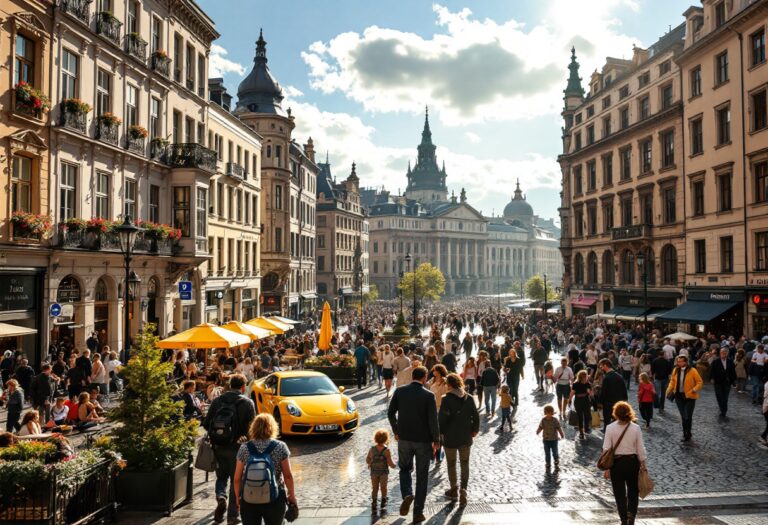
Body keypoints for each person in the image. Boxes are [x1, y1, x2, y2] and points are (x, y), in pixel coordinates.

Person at [387, 366, 440, 523]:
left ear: (412, 376)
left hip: (404, 438)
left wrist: (396, 430)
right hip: (423, 441)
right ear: (424, 378)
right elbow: (433, 420)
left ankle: (407, 494)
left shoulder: (400, 391)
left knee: (404, 469)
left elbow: (390, 413)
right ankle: (418, 512)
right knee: (422, 476)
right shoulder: (428, 395)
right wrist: (436, 440)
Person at [203, 374, 257, 524]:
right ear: (243, 386)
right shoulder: (247, 403)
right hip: (239, 447)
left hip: (219, 446)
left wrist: (217, 435)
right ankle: (233, 516)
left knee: (221, 477)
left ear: (229, 385)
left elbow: (206, 424)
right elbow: (252, 428)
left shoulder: (217, 401)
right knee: (236, 480)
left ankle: (221, 496)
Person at [233, 413, 296, 525]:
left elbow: (237, 478)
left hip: (249, 497)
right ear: (273, 427)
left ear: (253, 428)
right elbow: (288, 476)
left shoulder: (244, 447)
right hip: (275, 497)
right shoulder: (281, 446)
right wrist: (291, 495)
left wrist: (238, 497)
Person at [438, 373, 479, 508]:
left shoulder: (446, 399)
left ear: (449, 385)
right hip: (465, 437)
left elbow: (442, 420)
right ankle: (463, 489)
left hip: (450, 437)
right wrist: (474, 430)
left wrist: (440, 434)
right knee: (465, 463)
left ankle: (454, 488)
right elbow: (476, 417)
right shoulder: (469, 398)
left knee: (451, 463)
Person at [602, 401, 646, 525]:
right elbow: (640, 448)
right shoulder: (635, 428)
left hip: (616, 463)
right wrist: (643, 463)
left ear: (615, 413)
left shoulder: (610, 428)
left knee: (619, 493)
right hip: (632, 462)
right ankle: (631, 514)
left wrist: (607, 468)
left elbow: (606, 448)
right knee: (633, 490)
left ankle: (623, 519)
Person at [666, 355, 703, 442]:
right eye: (678, 361)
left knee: (688, 416)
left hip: (690, 396)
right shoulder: (676, 370)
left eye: (680, 361)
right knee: (683, 416)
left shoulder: (692, 370)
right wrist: (668, 390)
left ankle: (688, 432)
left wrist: (694, 389)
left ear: (685, 362)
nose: (678, 363)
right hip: (679, 396)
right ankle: (685, 433)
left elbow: (699, 382)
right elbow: (672, 381)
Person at [366, 429, 397, 511]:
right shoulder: (387, 451)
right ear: (386, 439)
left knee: (374, 488)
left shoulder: (371, 449)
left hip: (374, 473)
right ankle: (383, 500)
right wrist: (395, 466)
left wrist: (369, 463)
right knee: (384, 487)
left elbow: (367, 459)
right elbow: (390, 463)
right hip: (383, 473)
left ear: (375, 438)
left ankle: (374, 502)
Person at [427, 364, 449, 463]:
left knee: (440, 432)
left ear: (439, 371)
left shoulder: (445, 382)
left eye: (435, 370)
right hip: (432, 409)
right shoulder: (432, 380)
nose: (433, 372)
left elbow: (447, 395)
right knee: (434, 432)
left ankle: (439, 452)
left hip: (441, 409)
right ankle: (436, 452)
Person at [598, 358, 628, 431]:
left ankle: (606, 430)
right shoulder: (619, 376)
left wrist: (599, 402)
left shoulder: (607, 377)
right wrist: (625, 400)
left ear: (605, 366)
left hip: (608, 402)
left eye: (601, 366)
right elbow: (624, 389)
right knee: (616, 417)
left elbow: (603, 391)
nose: (601, 368)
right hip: (618, 401)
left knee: (607, 419)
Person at [710, 347, 736, 418]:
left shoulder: (730, 362)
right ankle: (722, 408)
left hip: (727, 382)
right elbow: (712, 370)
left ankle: (724, 411)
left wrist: (733, 382)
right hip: (717, 382)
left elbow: (733, 372)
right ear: (720, 353)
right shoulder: (715, 361)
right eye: (721, 353)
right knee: (719, 396)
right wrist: (712, 378)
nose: (723, 354)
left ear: (727, 354)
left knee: (725, 397)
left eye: (724, 353)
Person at [536, 404, 564, 469]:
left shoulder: (555, 420)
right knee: (547, 453)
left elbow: (558, 427)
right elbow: (541, 426)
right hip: (546, 439)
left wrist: (561, 433)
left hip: (554, 439)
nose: (548, 415)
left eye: (549, 413)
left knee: (555, 451)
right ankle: (548, 463)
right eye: (547, 413)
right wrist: (538, 431)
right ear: (545, 413)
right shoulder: (543, 420)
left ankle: (556, 460)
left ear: (551, 413)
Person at [568, 370, 592, 439]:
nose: (586, 377)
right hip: (581, 402)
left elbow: (590, 393)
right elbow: (572, 393)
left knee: (583, 416)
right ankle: (583, 431)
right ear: (582, 377)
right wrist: (569, 400)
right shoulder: (579, 384)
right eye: (585, 376)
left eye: (586, 376)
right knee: (582, 416)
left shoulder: (584, 384)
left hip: (583, 401)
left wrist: (569, 400)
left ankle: (584, 430)